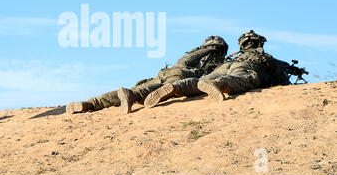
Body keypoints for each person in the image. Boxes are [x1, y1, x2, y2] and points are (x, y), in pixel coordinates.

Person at [66, 36, 228, 114]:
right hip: (181, 75)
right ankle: (133, 95)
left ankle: (90, 103)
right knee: (152, 89)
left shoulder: (197, 51)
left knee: (145, 86)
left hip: (167, 70)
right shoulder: (215, 55)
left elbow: (183, 60)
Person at [144, 30, 292, 108]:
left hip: (224, 67)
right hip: (245, 67)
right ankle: (218, 84)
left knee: (197, 83)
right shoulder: (265, 56)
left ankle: (176, 87)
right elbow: (282, 80)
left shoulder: (228, 55)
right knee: (244, 79)